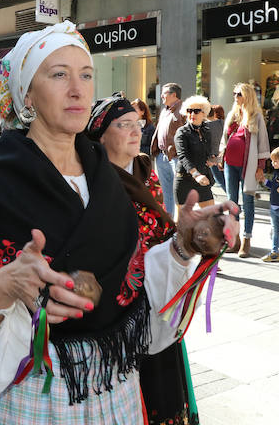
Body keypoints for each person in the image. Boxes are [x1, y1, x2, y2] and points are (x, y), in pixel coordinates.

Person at [0, 22, 237, 424]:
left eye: (85, 74)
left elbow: (133, 283)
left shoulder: (105, 174)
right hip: (32, 391)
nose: (77, 88)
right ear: (27, 93)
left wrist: (183, 244)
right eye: (59, 74)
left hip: (115, 388)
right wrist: (4, 286)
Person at [88, 93, 201, 425]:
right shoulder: (92, 178)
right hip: (122, 305)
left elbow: (160, 224)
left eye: (136, 123)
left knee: (165, 379)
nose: (135, 130)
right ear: (100, 134)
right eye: (123, 125)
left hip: (160, 293)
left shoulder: (145, 167)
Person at [220, 82, 270, 258]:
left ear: (247, 96)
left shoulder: (256, 116)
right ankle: (235, 240)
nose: (235, 97)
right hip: (229, 164)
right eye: (234, 93)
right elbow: (224, 139)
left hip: (247, 165)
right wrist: (221, 157)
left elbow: (263, 143)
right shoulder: (233, 115)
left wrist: (260, 167)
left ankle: (247, 240)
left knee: (248, 202)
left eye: (239, 94)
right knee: (232, 203)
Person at [174, 95, 215, 210]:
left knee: (211, 216)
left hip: (202, 179)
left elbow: (207, 152)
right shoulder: (182, 132)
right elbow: (183, 156)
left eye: (196, 111)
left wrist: (212, 159)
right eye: (189, 111)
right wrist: (196, 174)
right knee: (183, 222)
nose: (192, 114)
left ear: (204, 113)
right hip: (184, 180)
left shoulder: (206, 131)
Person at [150, 82, 185, 212]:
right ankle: (169, 225)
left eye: (164, 93)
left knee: (179, 193)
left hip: (176, 158)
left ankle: (182, 226)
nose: (161, 96)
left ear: (173, 94)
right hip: (161, 156)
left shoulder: (183, 110)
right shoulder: (165, 110)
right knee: (166, 193)